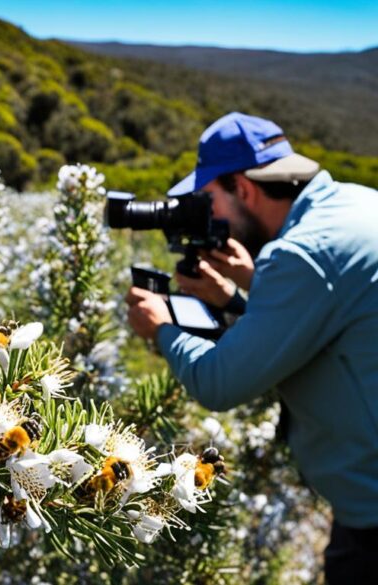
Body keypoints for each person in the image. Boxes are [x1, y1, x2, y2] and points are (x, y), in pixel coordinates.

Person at [124, 112, 378, 584]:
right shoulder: (356, 203)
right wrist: (238, 292)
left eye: (209, 199)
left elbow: (219, 383)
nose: (208, 215)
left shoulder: (300, 254)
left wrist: (161, 327)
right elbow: (327, 314)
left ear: (243, 189)